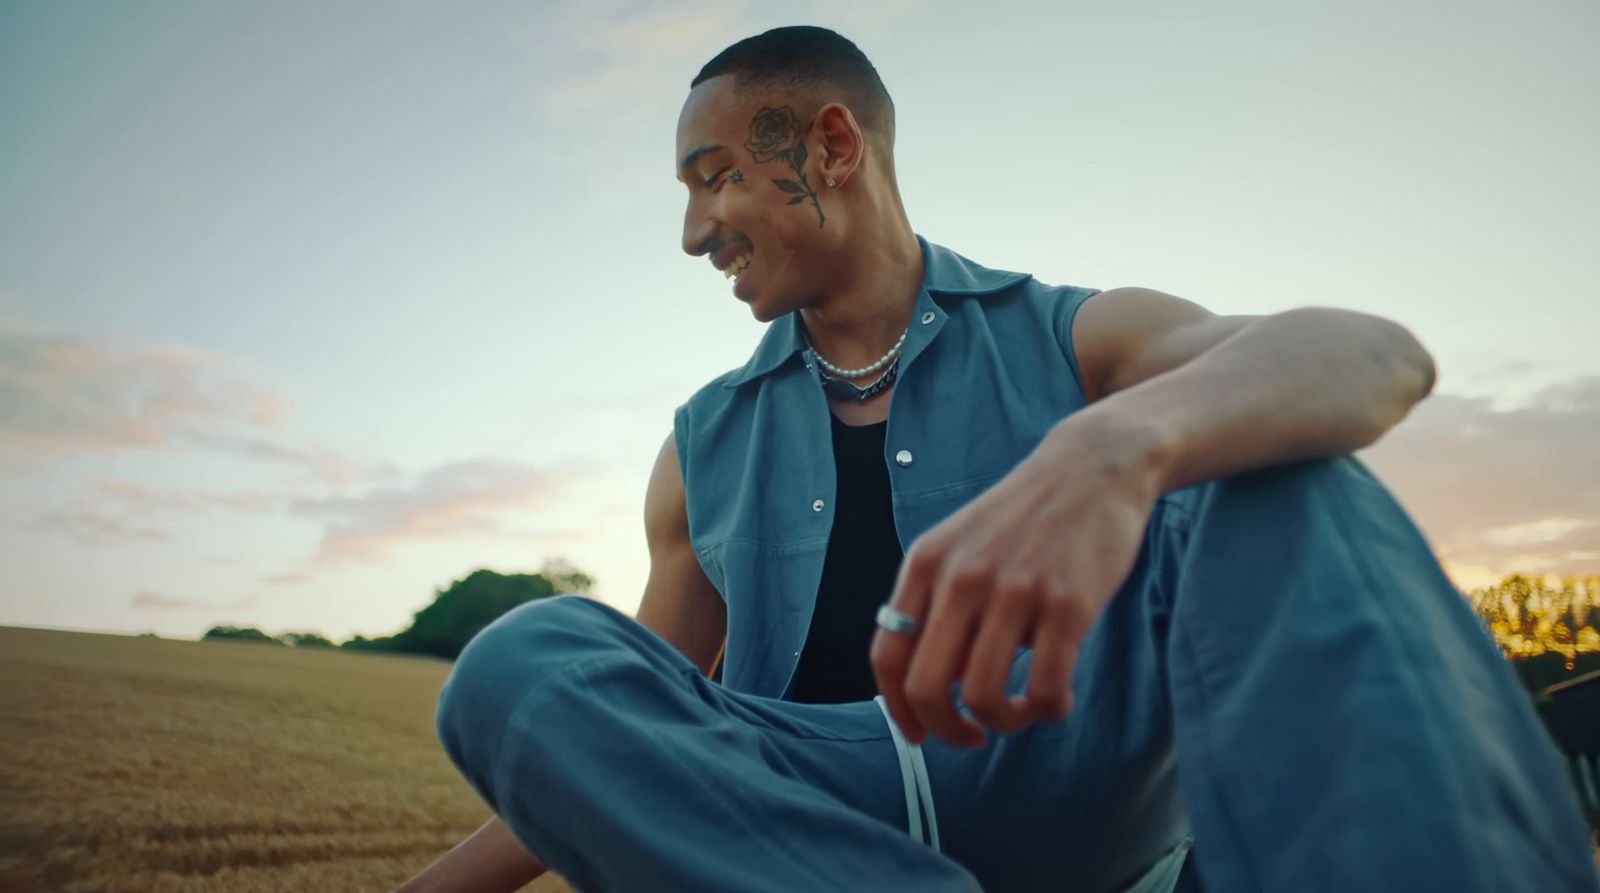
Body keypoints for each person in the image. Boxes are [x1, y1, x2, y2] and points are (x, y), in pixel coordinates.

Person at [399, 25, 1600, 893]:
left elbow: (1367, 353)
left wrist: (1115, 448)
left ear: (829, 145)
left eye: (715, 178)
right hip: (815, 820)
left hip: (1084, 783)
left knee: (1280, 461)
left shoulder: (1076, 332)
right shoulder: (700, 439)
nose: (693, 229)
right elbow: (628, 718)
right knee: (528, 657)